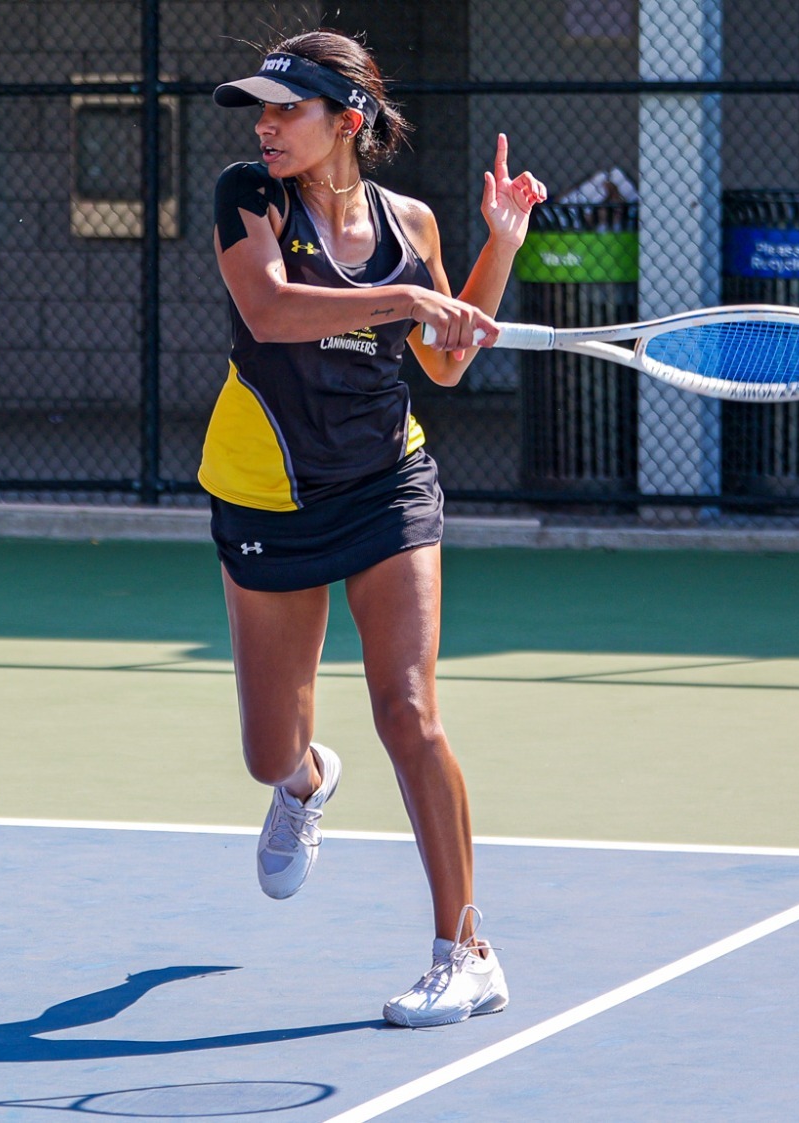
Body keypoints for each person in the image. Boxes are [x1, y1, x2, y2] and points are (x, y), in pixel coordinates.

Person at [202, 29, 547, 1028]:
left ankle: (465, 948)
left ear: (345, 119)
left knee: (407, 709)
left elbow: (443, 360)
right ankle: (305, 783)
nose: (264, 127)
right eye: (258, 111)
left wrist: (498, 245)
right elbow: (266, 312)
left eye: (285, 110)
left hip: (386, 485)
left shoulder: (412, 223)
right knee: (270, 750)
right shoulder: (247, 198)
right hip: (265, 490)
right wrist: (398, 298)